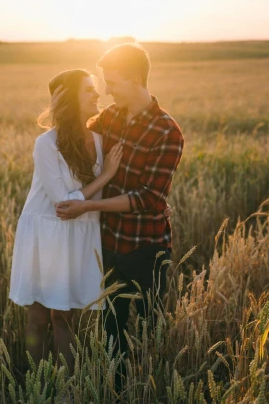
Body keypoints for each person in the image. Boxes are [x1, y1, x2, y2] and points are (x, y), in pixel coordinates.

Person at [55, 43, 185, 372]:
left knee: (151, 330)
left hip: (146, 248)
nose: (107, 92)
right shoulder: (111, 117)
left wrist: (88, 206)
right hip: (109, 243)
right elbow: (73, 132)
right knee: (113, 331)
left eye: (112, 83)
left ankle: (153, 388)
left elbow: (147, 198)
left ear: (133, 79)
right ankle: (117, 391)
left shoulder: (168, 132)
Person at [8, 69, 123, 372]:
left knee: (65, 317)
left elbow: (80, 202)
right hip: (46, 233)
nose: (97, 95)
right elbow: (63, 202)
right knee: (37, 318)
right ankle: (36, 385)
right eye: (88, 90)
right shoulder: (46, 143)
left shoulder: (100, 141)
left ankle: (65, 389)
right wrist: (107, 175)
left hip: (81, 232)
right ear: (69, 98)